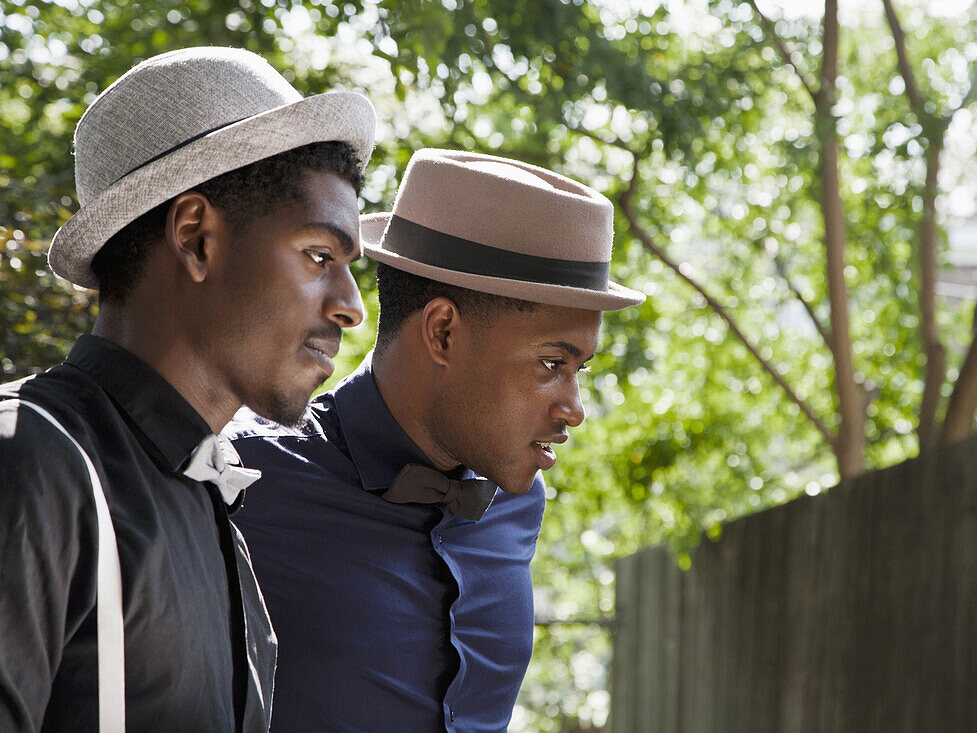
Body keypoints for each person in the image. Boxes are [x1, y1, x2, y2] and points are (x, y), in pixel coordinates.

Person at [0, 47, 376, 731]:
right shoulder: (28, 457)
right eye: (321, 256)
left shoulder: (215, 513)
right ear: (197, 237)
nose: (352, 306)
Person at [229, 148, 645, 731]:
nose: (574, 409)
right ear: (443, 332)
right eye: (552, 364)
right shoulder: (243, 479)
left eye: (582, 370)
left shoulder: (518, 498)